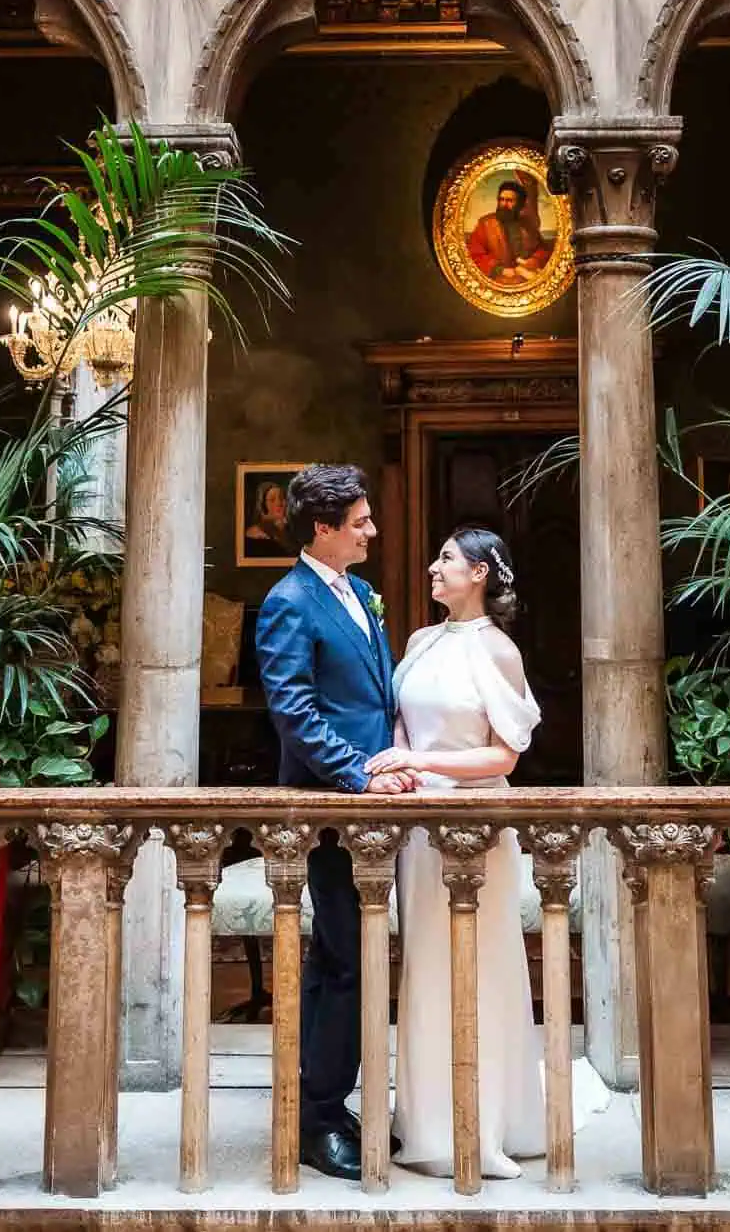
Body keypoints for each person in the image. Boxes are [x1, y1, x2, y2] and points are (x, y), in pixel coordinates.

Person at [369, 527, 609, 1178]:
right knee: (424, 960)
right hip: (419, 825)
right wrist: (399, 765)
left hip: (478, 820)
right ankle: (424, 1119)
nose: (432, 567)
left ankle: (490, 1119)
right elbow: (399, 721)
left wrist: (417, 759)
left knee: (482, 961)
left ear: (479, 571)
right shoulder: (420, 642)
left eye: (446, 557)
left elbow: (504, 753)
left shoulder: (498, 650)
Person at [253, 464, 413, 1182]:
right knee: (347, 960)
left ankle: (316, 1100)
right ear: (323, 528)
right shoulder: (288, 601)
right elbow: (294, 710)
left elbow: (374, 695)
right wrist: (360, 772)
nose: (372, 530)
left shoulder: (361, 594)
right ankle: (318, 1120)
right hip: (330, 810)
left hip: (367, 809)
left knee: (335, 957)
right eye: (361, 521)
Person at [465, 179, 550, 285]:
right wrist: (499, 270)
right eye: (501, 199)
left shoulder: (527, 224)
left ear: (519, 204)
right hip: (498, 281)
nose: (504, 204)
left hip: (526, 279)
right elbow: (474, 254)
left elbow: (542, 249)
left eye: (510, 200)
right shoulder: (485, 224)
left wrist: (534, 260)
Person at [244, 479, 294, 559]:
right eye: (272, 500)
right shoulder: (257, 537)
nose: (279, 503)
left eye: (282, 498)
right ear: (262, 505)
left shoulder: (286, 529)